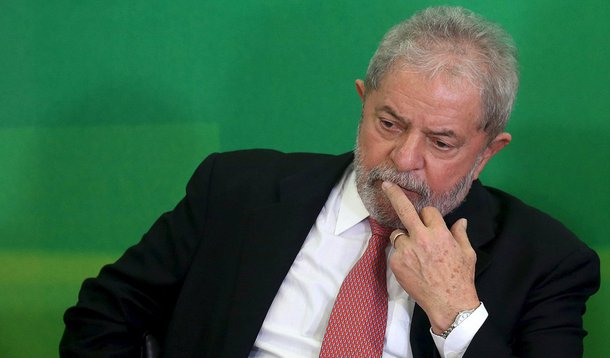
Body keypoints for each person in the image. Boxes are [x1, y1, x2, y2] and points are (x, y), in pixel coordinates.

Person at [60, 6, 600, 358]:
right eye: (388, 124)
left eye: (441, 142)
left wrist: (456, 314)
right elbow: (101, 319)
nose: (403, 159)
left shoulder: (546, 260)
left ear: (486, 152)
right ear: (363, 102)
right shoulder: (236, 189)